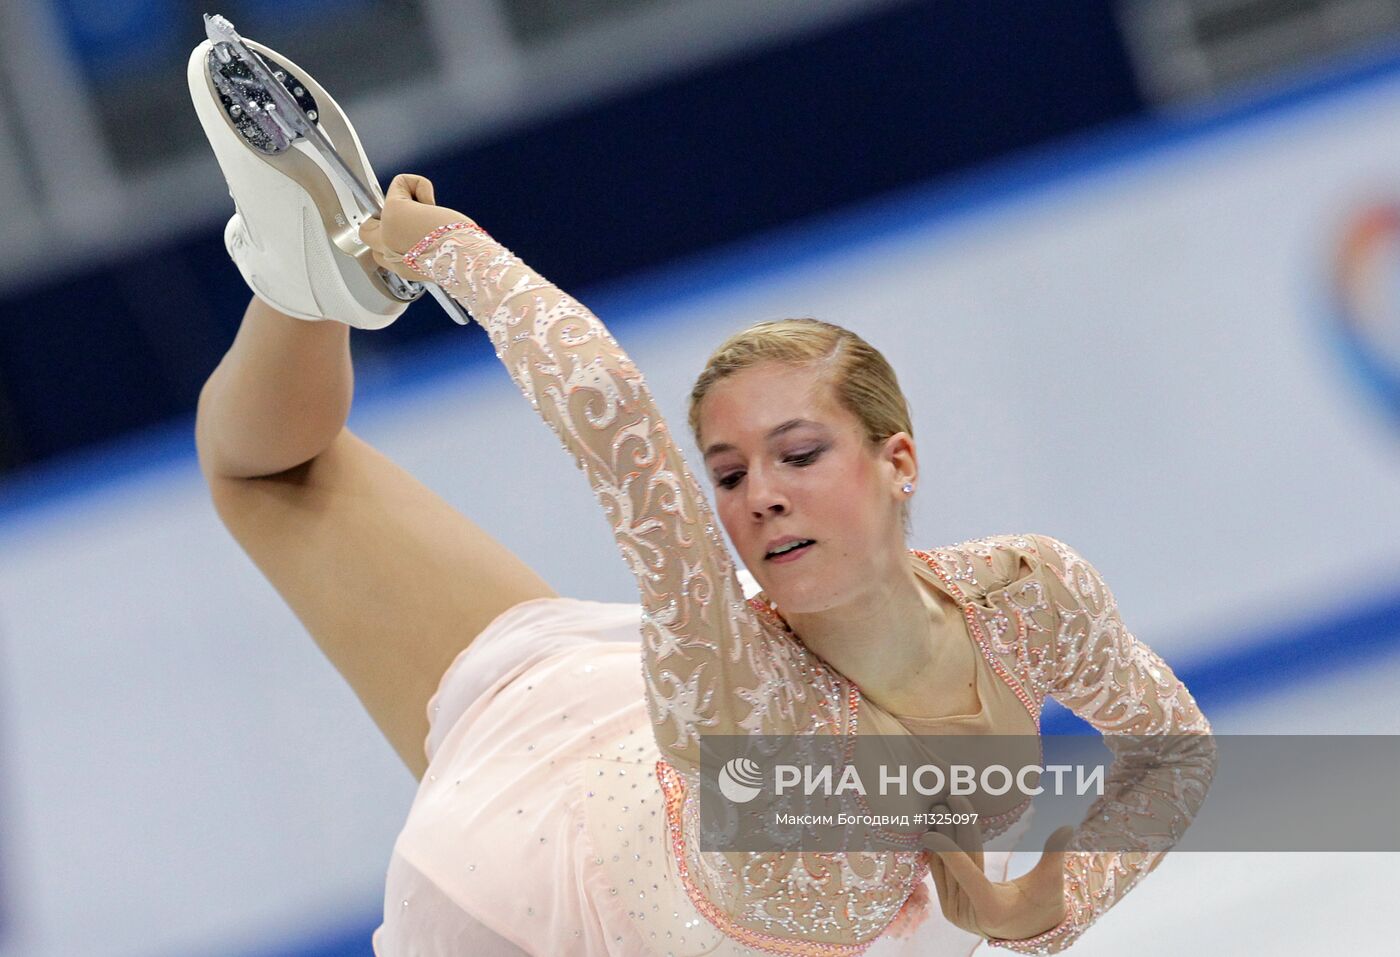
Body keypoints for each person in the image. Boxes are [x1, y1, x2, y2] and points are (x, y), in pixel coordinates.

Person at [191, 38, 1213, 957]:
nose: (758, 497)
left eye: (798, 454)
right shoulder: (730, 681)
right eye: (727, 474)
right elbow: (609, 415)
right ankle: (302, 288)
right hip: (541, 818)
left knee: (267, 477)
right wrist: (446, 250)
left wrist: (1051, 904)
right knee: (273, 473)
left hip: (564, 896)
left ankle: (303, 285)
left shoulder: (1023, 594)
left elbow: (1174, 755)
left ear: (897, 461)